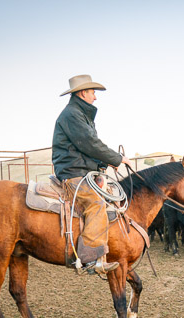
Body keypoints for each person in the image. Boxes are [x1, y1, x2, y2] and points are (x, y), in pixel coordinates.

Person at [52, 74, 133, 275]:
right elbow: (90, 143)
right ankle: (89, 258)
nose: (95, 97)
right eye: (93, 92)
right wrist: (116, 158)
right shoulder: (72, 114)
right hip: (72, 172)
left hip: (79, 168)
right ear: (83, 93)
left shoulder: (80, 114)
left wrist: (103, 162)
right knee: (96, 204)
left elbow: (87, 148)